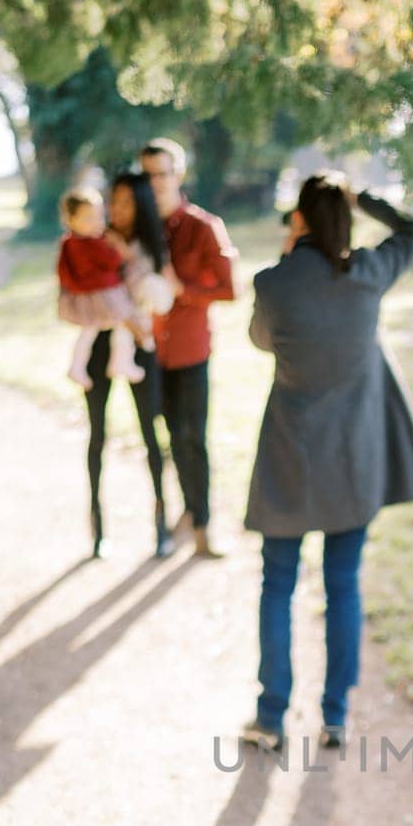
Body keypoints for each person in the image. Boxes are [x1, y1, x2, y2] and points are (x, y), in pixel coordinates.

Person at [243, 173, 413, 754]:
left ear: (298, 220)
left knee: (277, 583)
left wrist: (288, 262)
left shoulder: (273, 283)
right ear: (346, 218)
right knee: (343, 584)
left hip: (288, 458)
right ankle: (335, 716)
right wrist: (364, 200)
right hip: (353, 460)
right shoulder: (369, 275)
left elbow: (260, 340)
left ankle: (270, 716)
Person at [140, 137, 238, 559]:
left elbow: (230, 288)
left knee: (192, 438)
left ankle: (201, 524)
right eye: (147, 175)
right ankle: (168, 524)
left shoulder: (203, 226)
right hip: (147, 353)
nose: (155, 183)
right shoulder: (136, 229)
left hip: (190, 351)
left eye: (162, 173)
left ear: (178, 175)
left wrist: (184, 290)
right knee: (161, 440)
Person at [77, 172, 176, 561]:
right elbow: (84, 289)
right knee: (97, 433)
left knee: (151, 431)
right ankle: (98, 529)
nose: (117, 209)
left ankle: (161, 526)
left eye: (126, 202)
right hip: (101, 341)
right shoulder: (92, 239)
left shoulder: (152, 246)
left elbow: (157, 295)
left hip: (140, 344)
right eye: (113, 201)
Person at [56, 187, 145, 390]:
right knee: (123, 323)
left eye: (98, 217)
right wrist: (115, 247)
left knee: (89, 331)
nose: (96, 223)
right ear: (71, 220)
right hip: (105, 294)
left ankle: (78, 366)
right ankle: (121, 361)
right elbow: (112, 261)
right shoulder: (89, 243)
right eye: (88, 218)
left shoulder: (68, 243)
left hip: (88, 294)